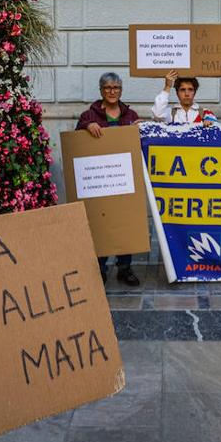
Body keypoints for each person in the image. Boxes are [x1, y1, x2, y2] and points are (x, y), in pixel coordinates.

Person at [77, 72, 141, 286]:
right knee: (101, 223)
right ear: (101, 90)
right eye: (107, 88)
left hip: (124, 179)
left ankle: (125, 268)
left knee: (124, 222)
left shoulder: (130, 115)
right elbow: (77, 143)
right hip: (100, 180)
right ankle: (101, 268)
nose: (112, 91)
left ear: (121, 91)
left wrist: (140, 131)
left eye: (116, 88)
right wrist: (87, 127)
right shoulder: (89, 115)